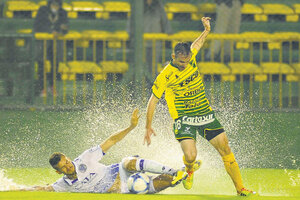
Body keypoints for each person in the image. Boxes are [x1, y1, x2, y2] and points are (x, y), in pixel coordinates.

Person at [143, 17, 256, 196]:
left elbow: (198, 43)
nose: (185, 65)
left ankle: (240, 189)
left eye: (187, 61)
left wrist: (207, 30)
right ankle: (189, 170)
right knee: (191, 156)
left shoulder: (191, 56)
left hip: (204, 113)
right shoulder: (165, 75)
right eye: (181, 62)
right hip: (183, 118)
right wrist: (148, 126)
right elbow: (153, 100)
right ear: (173, 57)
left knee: (225, 149)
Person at [17, 109, 187, 194]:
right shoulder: (63, 185)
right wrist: (15, 188)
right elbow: (44, 189)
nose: (69, 166)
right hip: (122, 189)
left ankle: (175, 170)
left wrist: (131, 126)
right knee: (160, 184)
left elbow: (111, 141)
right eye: (64, 167)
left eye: (67, 162)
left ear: (68, 158)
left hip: (118, 171)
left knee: (128, 162)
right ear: (58, 171)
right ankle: (181, 177)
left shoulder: (84, 159)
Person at [128, 0, 172, 82]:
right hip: (140, 41)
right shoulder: (139, 6)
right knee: (139, 65)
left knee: (153, 67)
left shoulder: (158, 5)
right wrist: (131, 34)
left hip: (155, 41)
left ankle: (152, 88)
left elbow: (164, 19)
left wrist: (168, 31)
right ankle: (139, 86)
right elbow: (132, 21)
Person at [34, 0, 68, 97]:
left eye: (57, 4)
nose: (55, 6)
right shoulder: (42, 10)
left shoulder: (63, 12)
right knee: (41, 64)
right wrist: (50, 31)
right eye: (53, 4)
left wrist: (61, 31)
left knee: (55, 64)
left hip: (55, 43)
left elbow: (66, 28)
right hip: (42, 42)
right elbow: (37, 25)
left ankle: (52, 86)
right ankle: (42, 88)